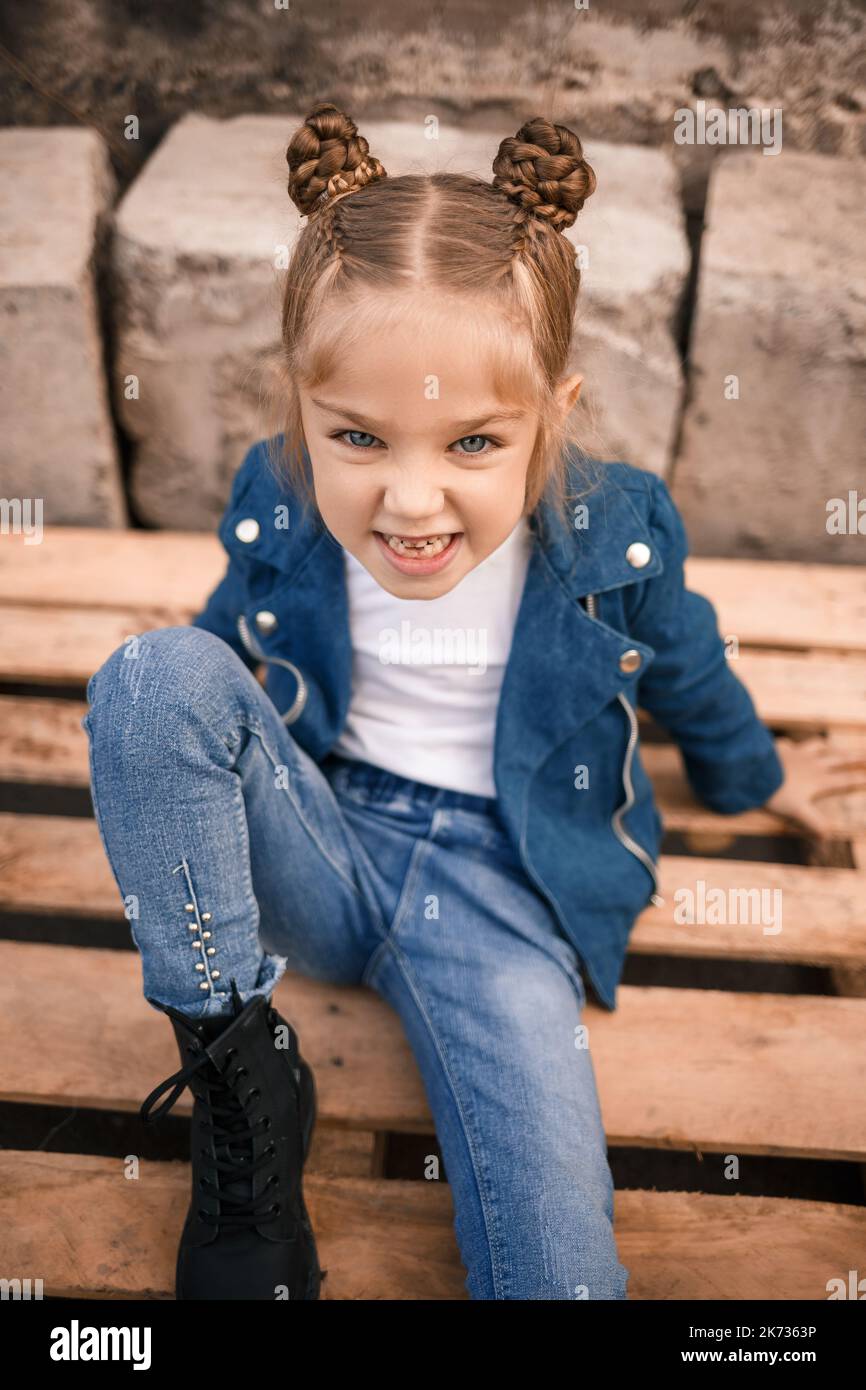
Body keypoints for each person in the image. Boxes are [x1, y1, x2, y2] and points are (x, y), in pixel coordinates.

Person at [82, 102, 844, 1301]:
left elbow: (686, 655)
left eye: (474, 443)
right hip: (322, 844)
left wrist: (754, 773)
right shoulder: (277, 495)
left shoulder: (614, 529)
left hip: (507, 884)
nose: (411, 499)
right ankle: (241, 1071)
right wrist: (164, 762)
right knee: (149, 674)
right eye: (360, 437)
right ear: (302, 412)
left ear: (556, 409)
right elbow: (223, 654)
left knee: (556, 1267)